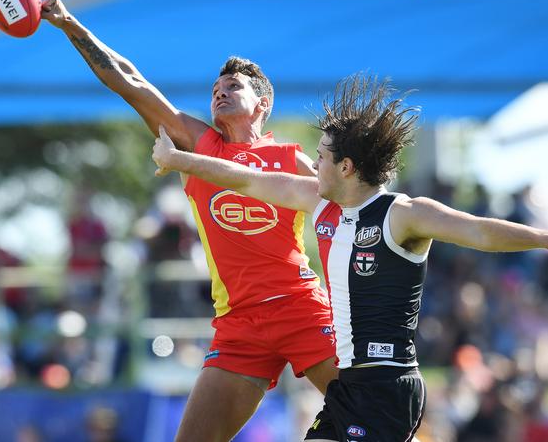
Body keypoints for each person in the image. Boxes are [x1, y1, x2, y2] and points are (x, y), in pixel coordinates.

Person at [152, 73, 548, 441]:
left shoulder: (403, 214)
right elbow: (244, 179)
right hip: (351, 390)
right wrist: (178, 160)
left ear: (346, 167)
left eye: (321, 157)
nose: (313, 164)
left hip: (386, 388)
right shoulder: (320, 203)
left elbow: (481, 231)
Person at [41, 0, 337, 442]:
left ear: (263, 104)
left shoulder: (291, 159)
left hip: (300, 307)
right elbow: (130, 82)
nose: (220, 91)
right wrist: (70, 26)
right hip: (239, 324)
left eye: (233, 86)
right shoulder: (199, 145)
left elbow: (350, 212)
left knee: (373, 420)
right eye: (216, 88)